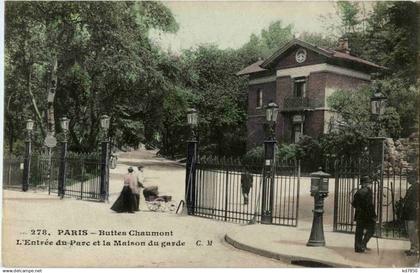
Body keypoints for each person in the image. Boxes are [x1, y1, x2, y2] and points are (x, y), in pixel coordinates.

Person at [351, 176, 377, 253]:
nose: (370, 184)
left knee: (359, 231)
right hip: (367, 215)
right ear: (365, 184)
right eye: (369, 183)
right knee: (371, 229)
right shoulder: (368, 192)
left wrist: (360, 208)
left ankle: (358, 247)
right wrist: (374, 215)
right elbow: (369, 205)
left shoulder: (358, 192)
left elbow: (353, 204)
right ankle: (363, 244)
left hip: (359, 214)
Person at [402, 169, 418, 256]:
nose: (407, 179)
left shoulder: (417, 187)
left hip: (413, 213)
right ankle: (413, 247)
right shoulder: (412, 187)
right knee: (409, 230)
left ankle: (414, 249)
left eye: (409, 177)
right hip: (408, 212)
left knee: (412, 230)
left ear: (414, 177)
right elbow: (407, 198)